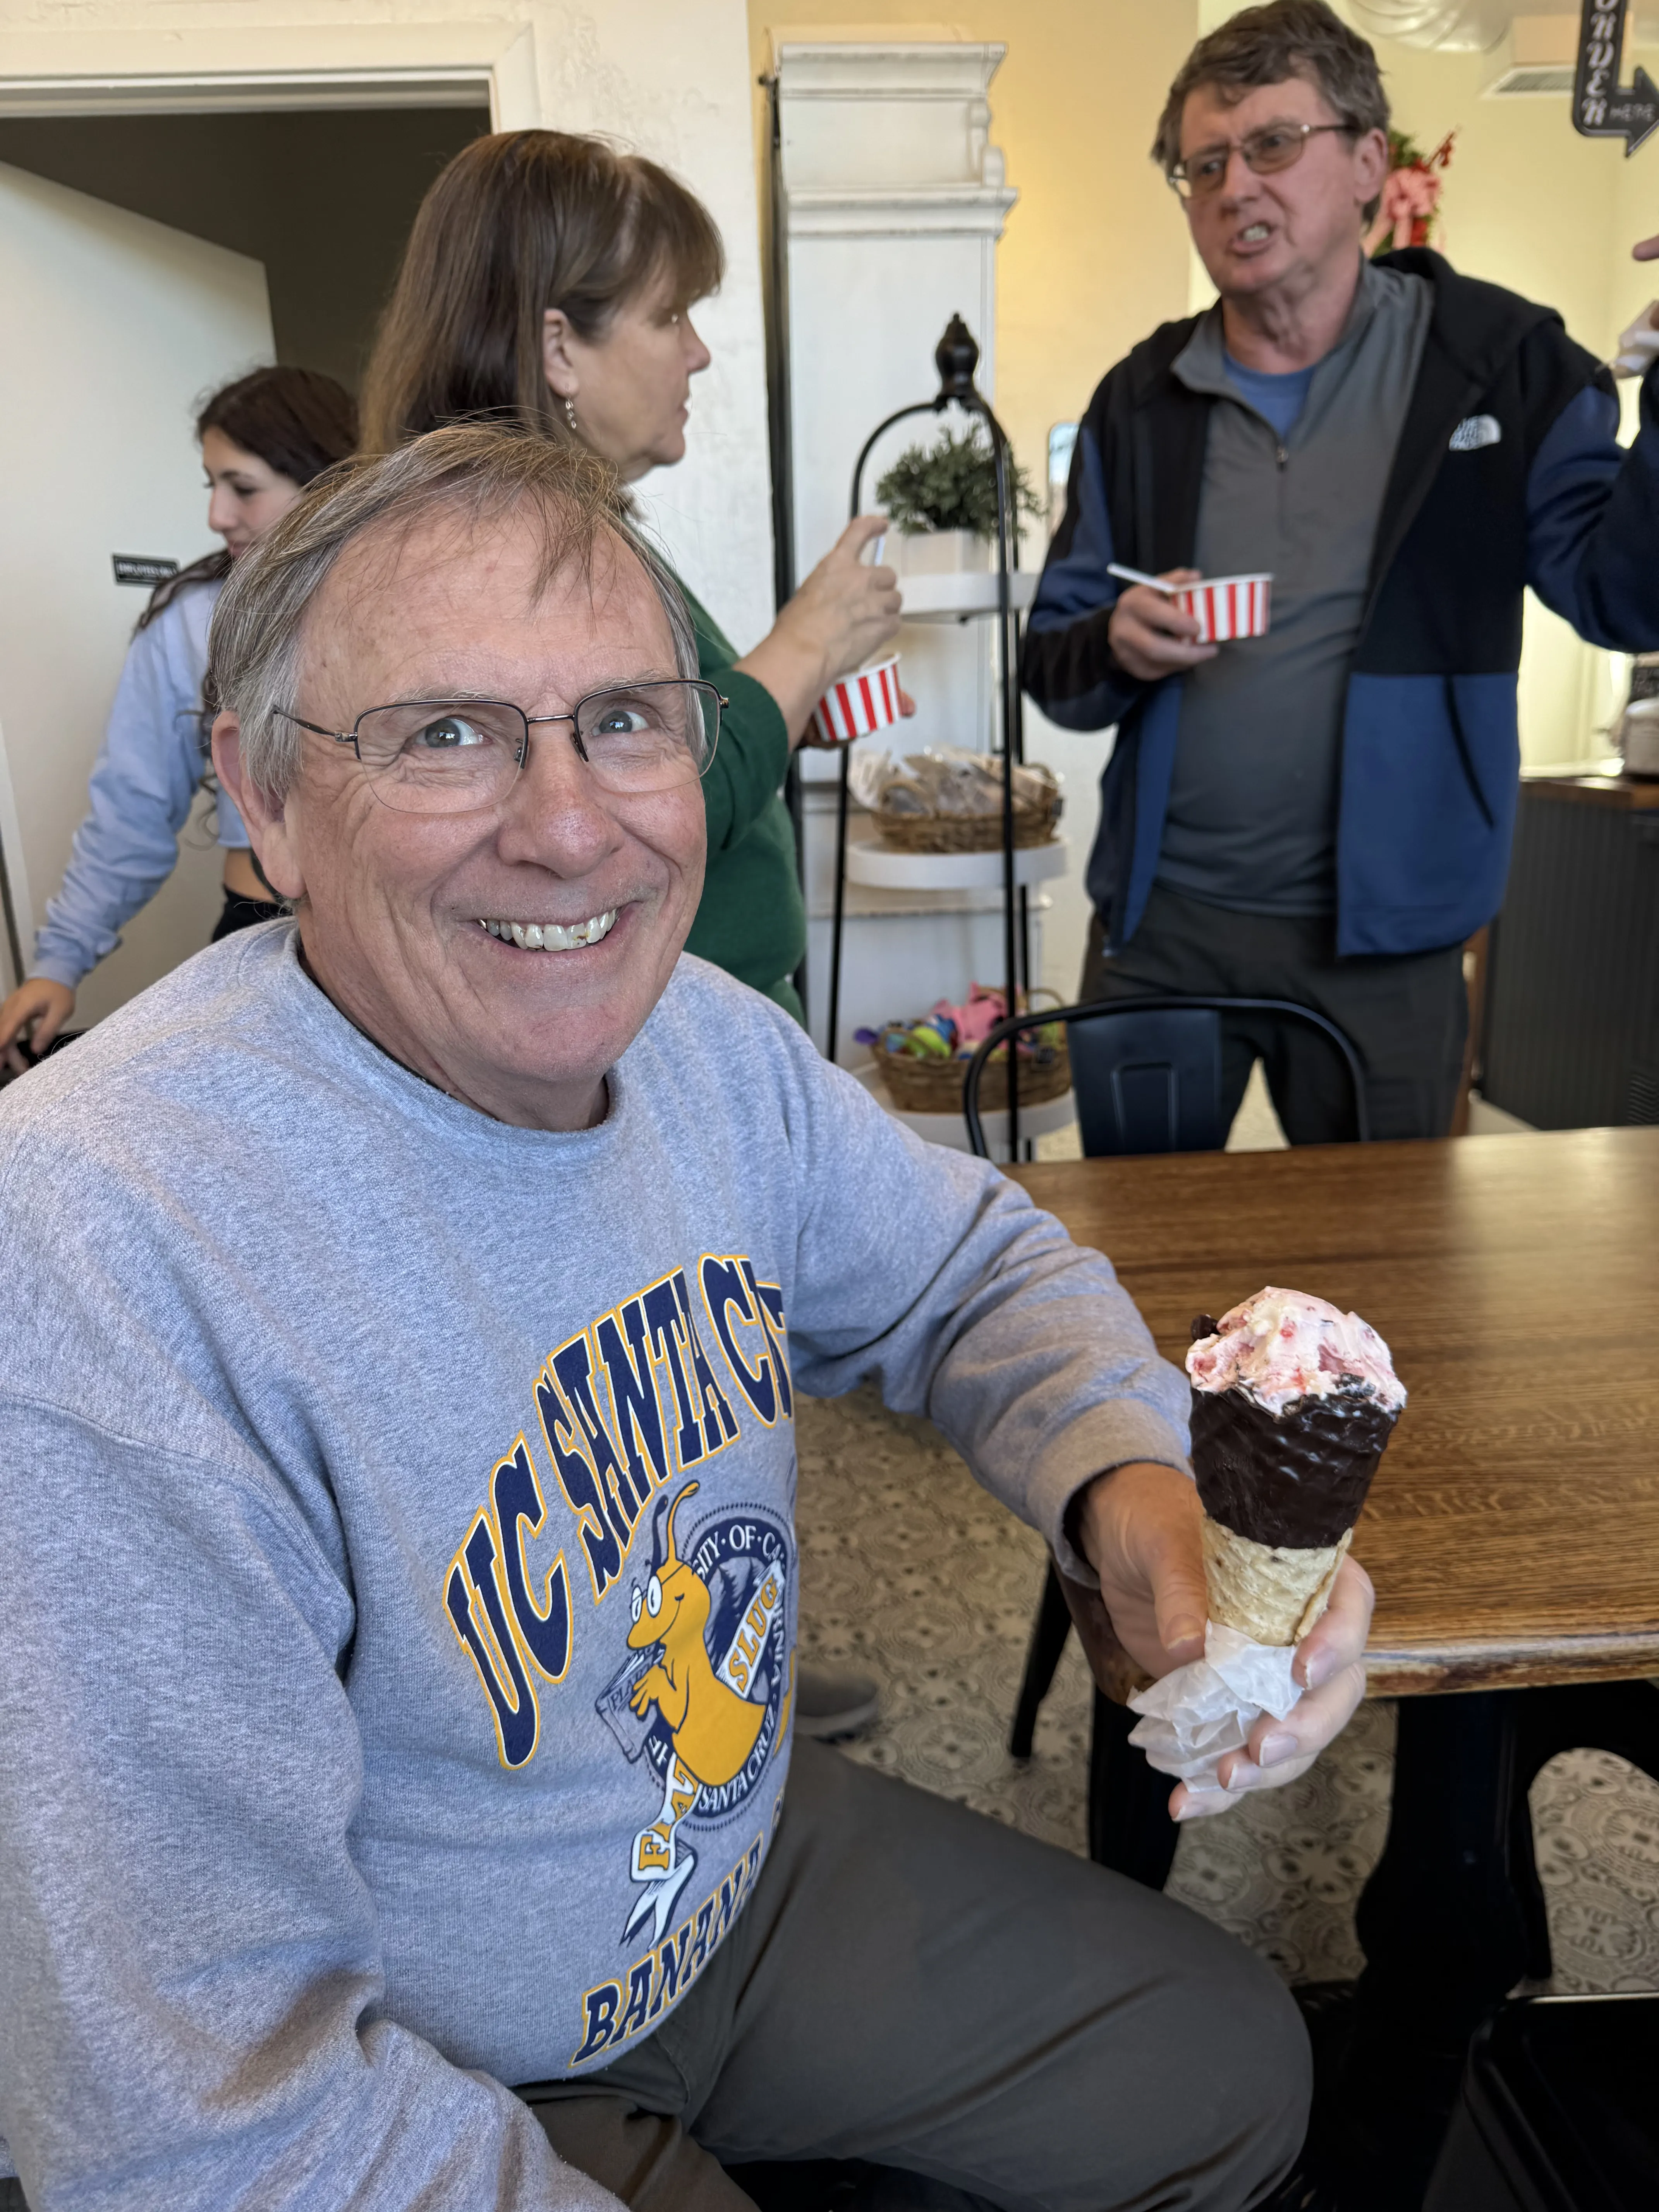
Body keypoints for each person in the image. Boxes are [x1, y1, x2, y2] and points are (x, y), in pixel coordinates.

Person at [0, 425, 1374, 2212]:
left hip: (724, 1867)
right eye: (446, 734)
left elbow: (972, 1271)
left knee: (1229, 2070)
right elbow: (193, 2119)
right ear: (264, 800)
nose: (572, 829)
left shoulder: (712, 1046)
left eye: (627, 722)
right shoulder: (104, 1247)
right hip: (414, 2051)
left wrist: (1131, 1489)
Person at [359, 129, 900, 1746]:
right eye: (668, 316)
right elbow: (613, 805)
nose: (697, 352)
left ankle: (728, 1663)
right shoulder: (487, 550)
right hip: (614, 1064)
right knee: (639, 1424)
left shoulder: (576, 537)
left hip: (683, 1051)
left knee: (689, 1423)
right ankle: (663, 1726)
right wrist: (802, 647)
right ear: (557, 345)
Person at [1023, 0, 1659, 1144]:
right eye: (1203, 164)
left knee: (1384, 1250)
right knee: (1136, 1241)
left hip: (1392, 944)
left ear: (1368, 162)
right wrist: (1115, 642)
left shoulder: (1498, 366)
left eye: (1272, 144)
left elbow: (1625, 599)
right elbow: (1053, 669)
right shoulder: (1140, 398)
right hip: (1163, 933)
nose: (1234, 187)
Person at [0, 366, 358, 1076]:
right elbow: (132, 807)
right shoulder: (190, 619)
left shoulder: (410, 602)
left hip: (396, 928)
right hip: (257, 930)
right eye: (211, 486)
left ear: (323, 482)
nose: (217, 515)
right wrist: (59, 962)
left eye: (243, 488)